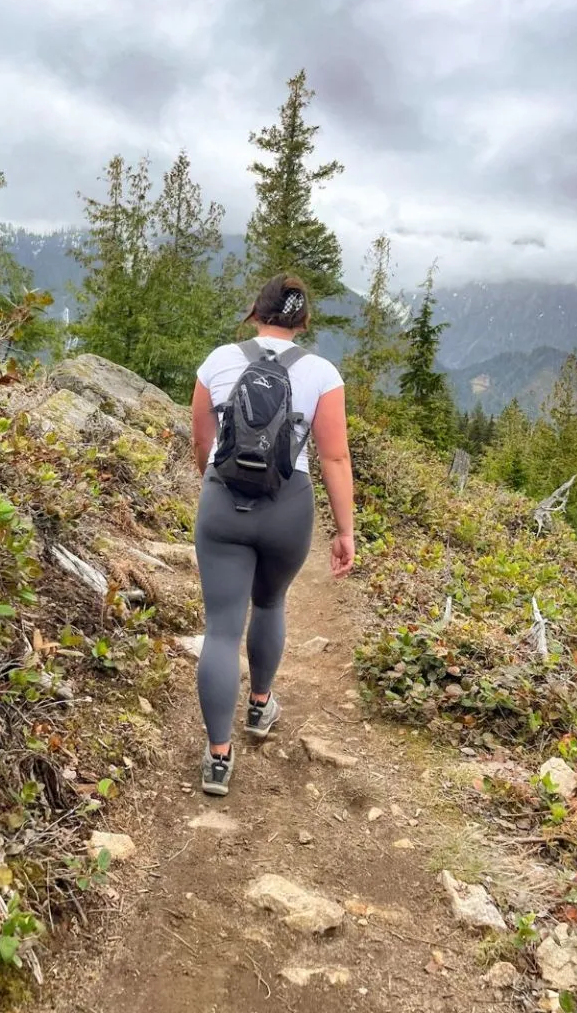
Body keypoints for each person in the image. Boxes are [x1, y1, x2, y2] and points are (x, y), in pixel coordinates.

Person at [190, 273, 356, 796]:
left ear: (255, 311)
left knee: (220, 630)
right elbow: (334, 456)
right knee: (270, 605)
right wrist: (345, 529)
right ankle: (260, 708)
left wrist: (216, 488)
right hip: (289, 505)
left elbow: (202, 440)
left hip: (223, 500)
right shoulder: (322, 373)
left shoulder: (218, 361)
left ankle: (218, 758)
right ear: (302, 321)